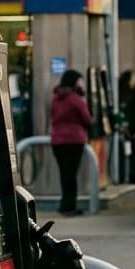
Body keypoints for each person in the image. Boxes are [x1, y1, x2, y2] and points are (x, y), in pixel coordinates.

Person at [49, 68, 92, 216]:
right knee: (71, 175)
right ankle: (69, 207)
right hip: (74, 141)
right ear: (75, 83)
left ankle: (64, 205)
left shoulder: (55, 98)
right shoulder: (76, 99)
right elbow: (87, 120)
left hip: (57, 141)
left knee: (64, 174)